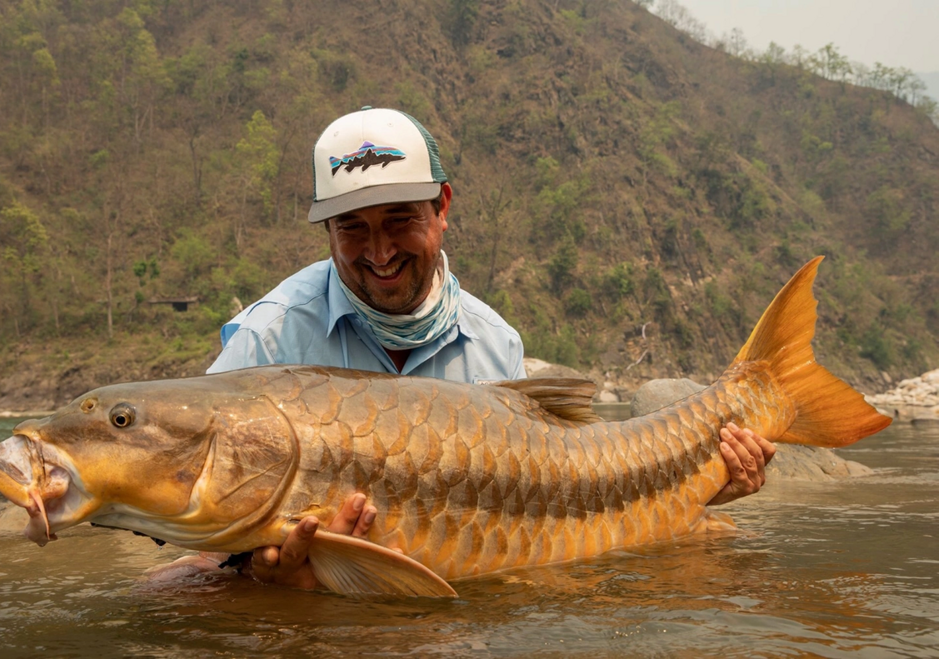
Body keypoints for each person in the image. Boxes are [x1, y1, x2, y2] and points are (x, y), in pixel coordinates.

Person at [158, 107, 775, 589]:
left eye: (400, 220)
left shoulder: (493, 342)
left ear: (442, 207)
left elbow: (556, 507)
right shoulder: (270, 339)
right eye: (352, 228)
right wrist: (254, 576)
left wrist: (698, 480)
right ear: (327, 231)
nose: (378, 252)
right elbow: (185, 551)